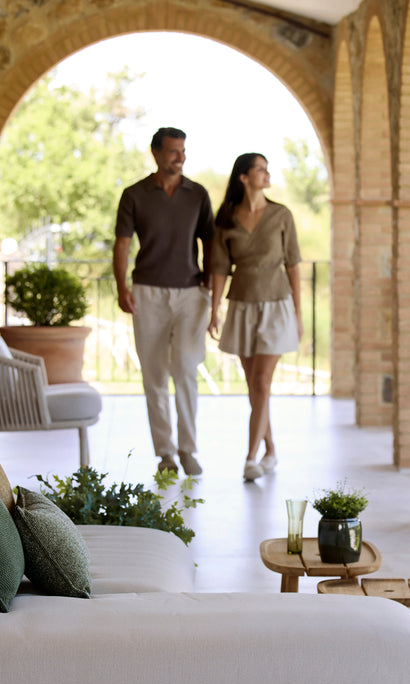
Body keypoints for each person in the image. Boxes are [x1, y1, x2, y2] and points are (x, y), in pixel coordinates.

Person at [113, 127, 214, 476]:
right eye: (173, 151)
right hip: (147, 292)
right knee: (154, 373)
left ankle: (188, 449)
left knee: (186, 367)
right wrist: (120, 286)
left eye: (183, 151)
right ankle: (166, 454)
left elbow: (212, 244)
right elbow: (122, 244)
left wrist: (213, 289)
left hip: (190, 293)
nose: (180, 157)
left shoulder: (197, 194)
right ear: (156, 153)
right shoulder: (134, 195)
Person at [208, 153, 303, 482]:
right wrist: (213, 310)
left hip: (277, 305)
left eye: (266, 169)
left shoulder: (281, 215)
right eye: (260, 169)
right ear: (243, 177)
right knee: (254, 387)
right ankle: (271, 450)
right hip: (243, 305)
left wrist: (299, 312)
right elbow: (219, 268)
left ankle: (250, 457)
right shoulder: (227, 219)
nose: (267, 174)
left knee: (262, 382)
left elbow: (293, 264)